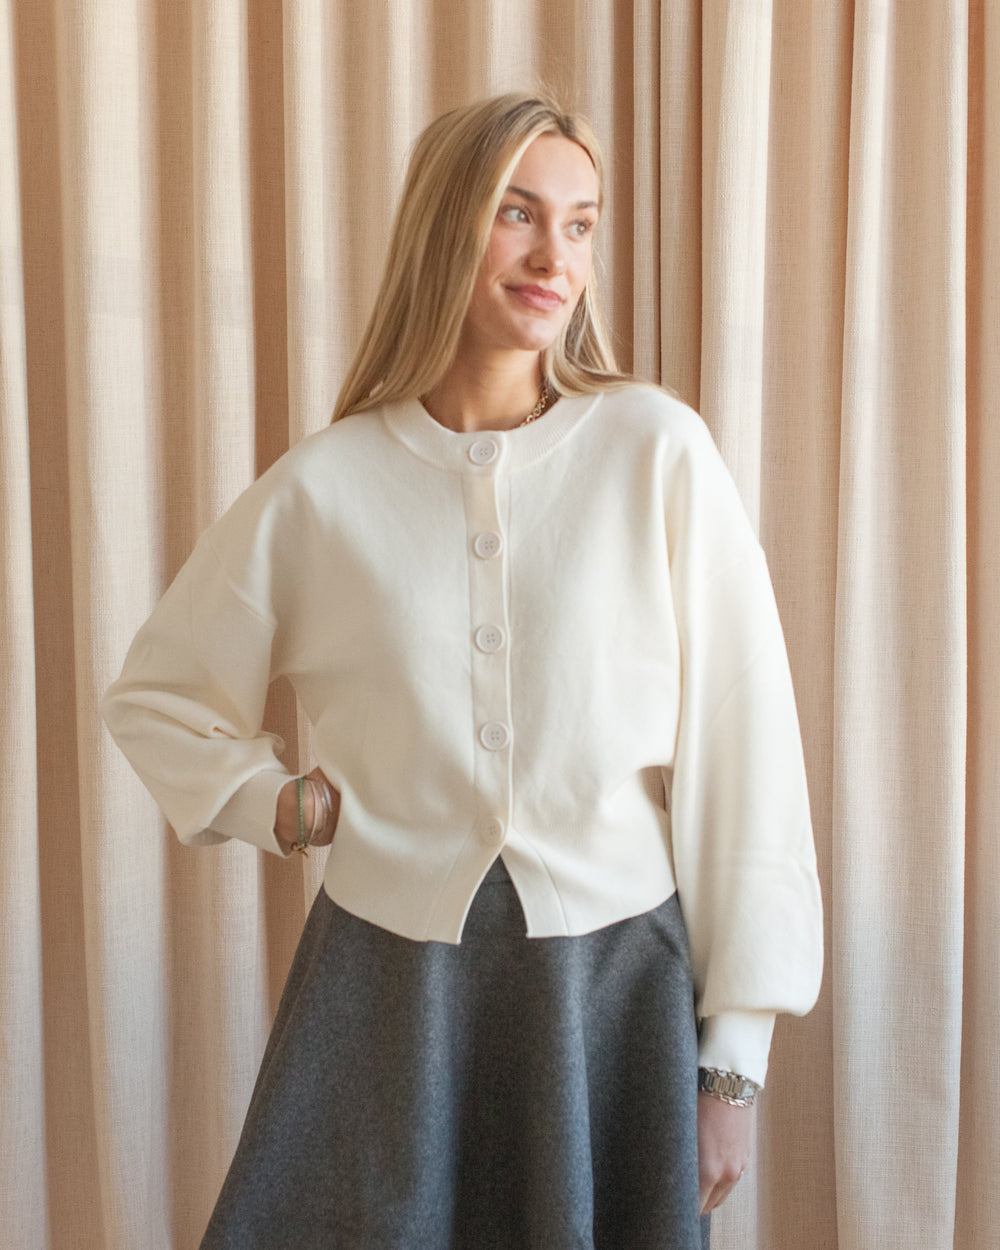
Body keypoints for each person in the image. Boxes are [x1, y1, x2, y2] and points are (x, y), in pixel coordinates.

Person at [101, 91, 823, 1249]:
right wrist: (276, 802)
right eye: (517, 213)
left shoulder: (655, 452)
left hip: (612, 991)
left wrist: (732, 1060)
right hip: (383, 989)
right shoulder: (323, 488)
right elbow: (158, 696)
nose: (554, 258)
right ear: (447, 226)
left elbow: (748, 758)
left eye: (580, 224)